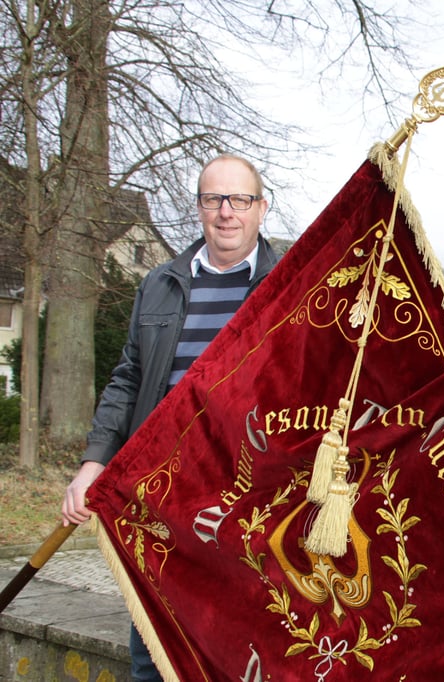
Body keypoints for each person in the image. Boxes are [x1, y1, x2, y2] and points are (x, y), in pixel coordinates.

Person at [61, 154, 280, 682]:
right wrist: (94, 462)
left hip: (248, 499)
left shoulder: (290, 285)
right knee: (154, 655)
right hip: (158, 498)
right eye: (213, 199)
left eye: (240, 200)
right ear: (200, 207)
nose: (226, 212)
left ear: (261, 208)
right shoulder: (159, 283)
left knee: (242, 654)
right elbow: (128, 379)